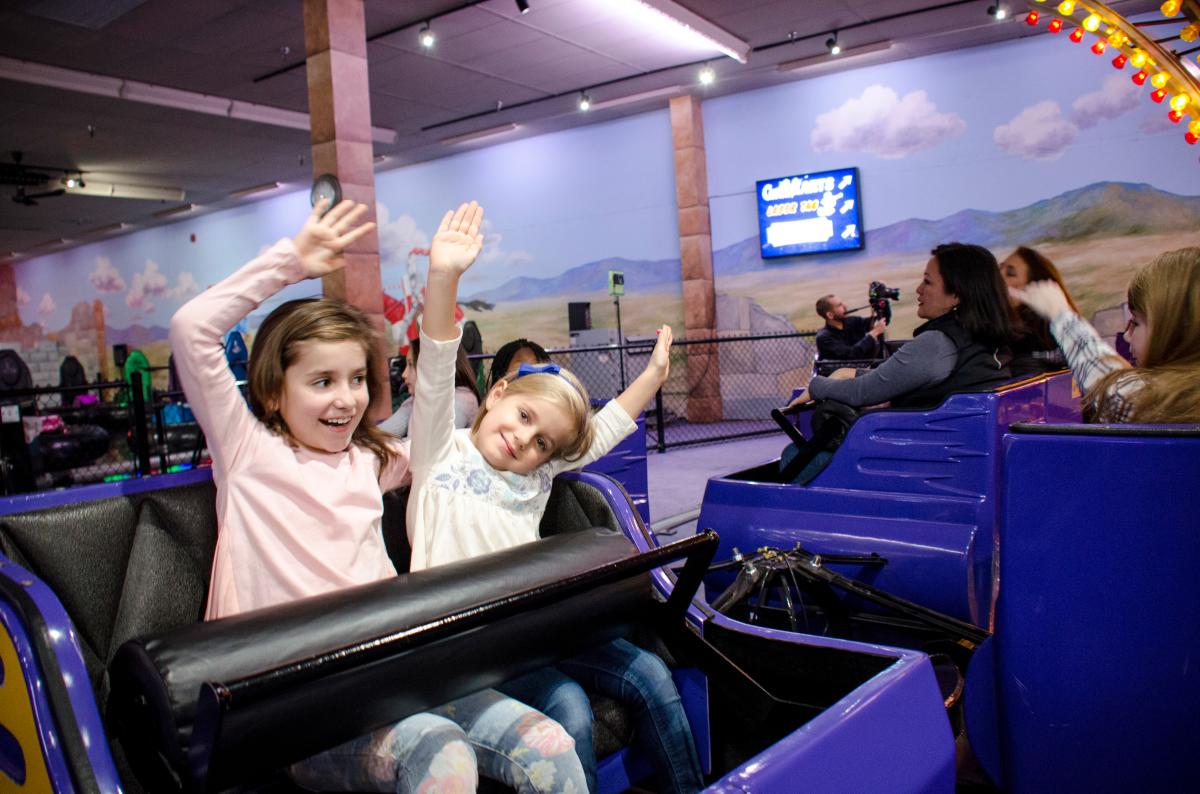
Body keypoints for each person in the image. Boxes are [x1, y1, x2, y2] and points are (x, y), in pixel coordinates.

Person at [170, 198, 589, 794]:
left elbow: (437, 438)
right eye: (321, 382)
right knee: (442, 756)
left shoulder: (370, 461)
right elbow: (192, 329)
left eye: (357, 379)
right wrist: (291, 261)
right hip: (300, 711)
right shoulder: (248, 456)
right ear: (270, 391)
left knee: (549, 742)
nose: (346, 399)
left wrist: (442, 283)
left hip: (390, 679)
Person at [410, 201, 704, 794]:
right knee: (567, 703)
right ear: (493, 396)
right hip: (465, 645)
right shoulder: (442, 450)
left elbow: (603, 429)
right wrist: (443, 278)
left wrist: (652, 376)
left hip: (532, 632)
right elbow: (438, 360)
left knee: (648, 670)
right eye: (521, 417)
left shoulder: (536, 472)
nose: (523, 440)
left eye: (542, 440)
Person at [793, 243, 1013, 412]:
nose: (918, 289)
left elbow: (862, 392)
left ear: (956, 294)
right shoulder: (986, 337)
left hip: (922, 447)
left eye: (927, 282)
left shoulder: (937, 343)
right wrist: (850, 372)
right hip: (958, 440)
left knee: (794, 456)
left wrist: (815, 387)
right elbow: (900, 376)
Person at [1012, 247, 1200, 423]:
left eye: (1135, 323)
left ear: (1179, 330)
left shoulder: (1149, 402)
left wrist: (1060, 314)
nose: (1126, 336)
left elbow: (1107, 383)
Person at [1000, 246, 1079, 375]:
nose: (998, 277)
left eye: (1010, 274)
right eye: (999, 268)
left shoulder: (1018, 339)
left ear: (1034, 289)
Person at [379, 337, 480, 438]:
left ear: (431, 367)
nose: (404, 374)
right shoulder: (417, 400)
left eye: (410, 365)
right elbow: (381, 434)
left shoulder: (460, 402)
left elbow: (432, 446)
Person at [814, 293, 886, 362]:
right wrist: (874, 333)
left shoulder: (853, 321)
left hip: (864, 368)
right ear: (830, 315)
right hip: (842, 373)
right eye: (839, 305)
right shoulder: (824, 338)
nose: (845, 307)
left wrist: (881, 301)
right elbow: (851, 355)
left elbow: (881, 321)